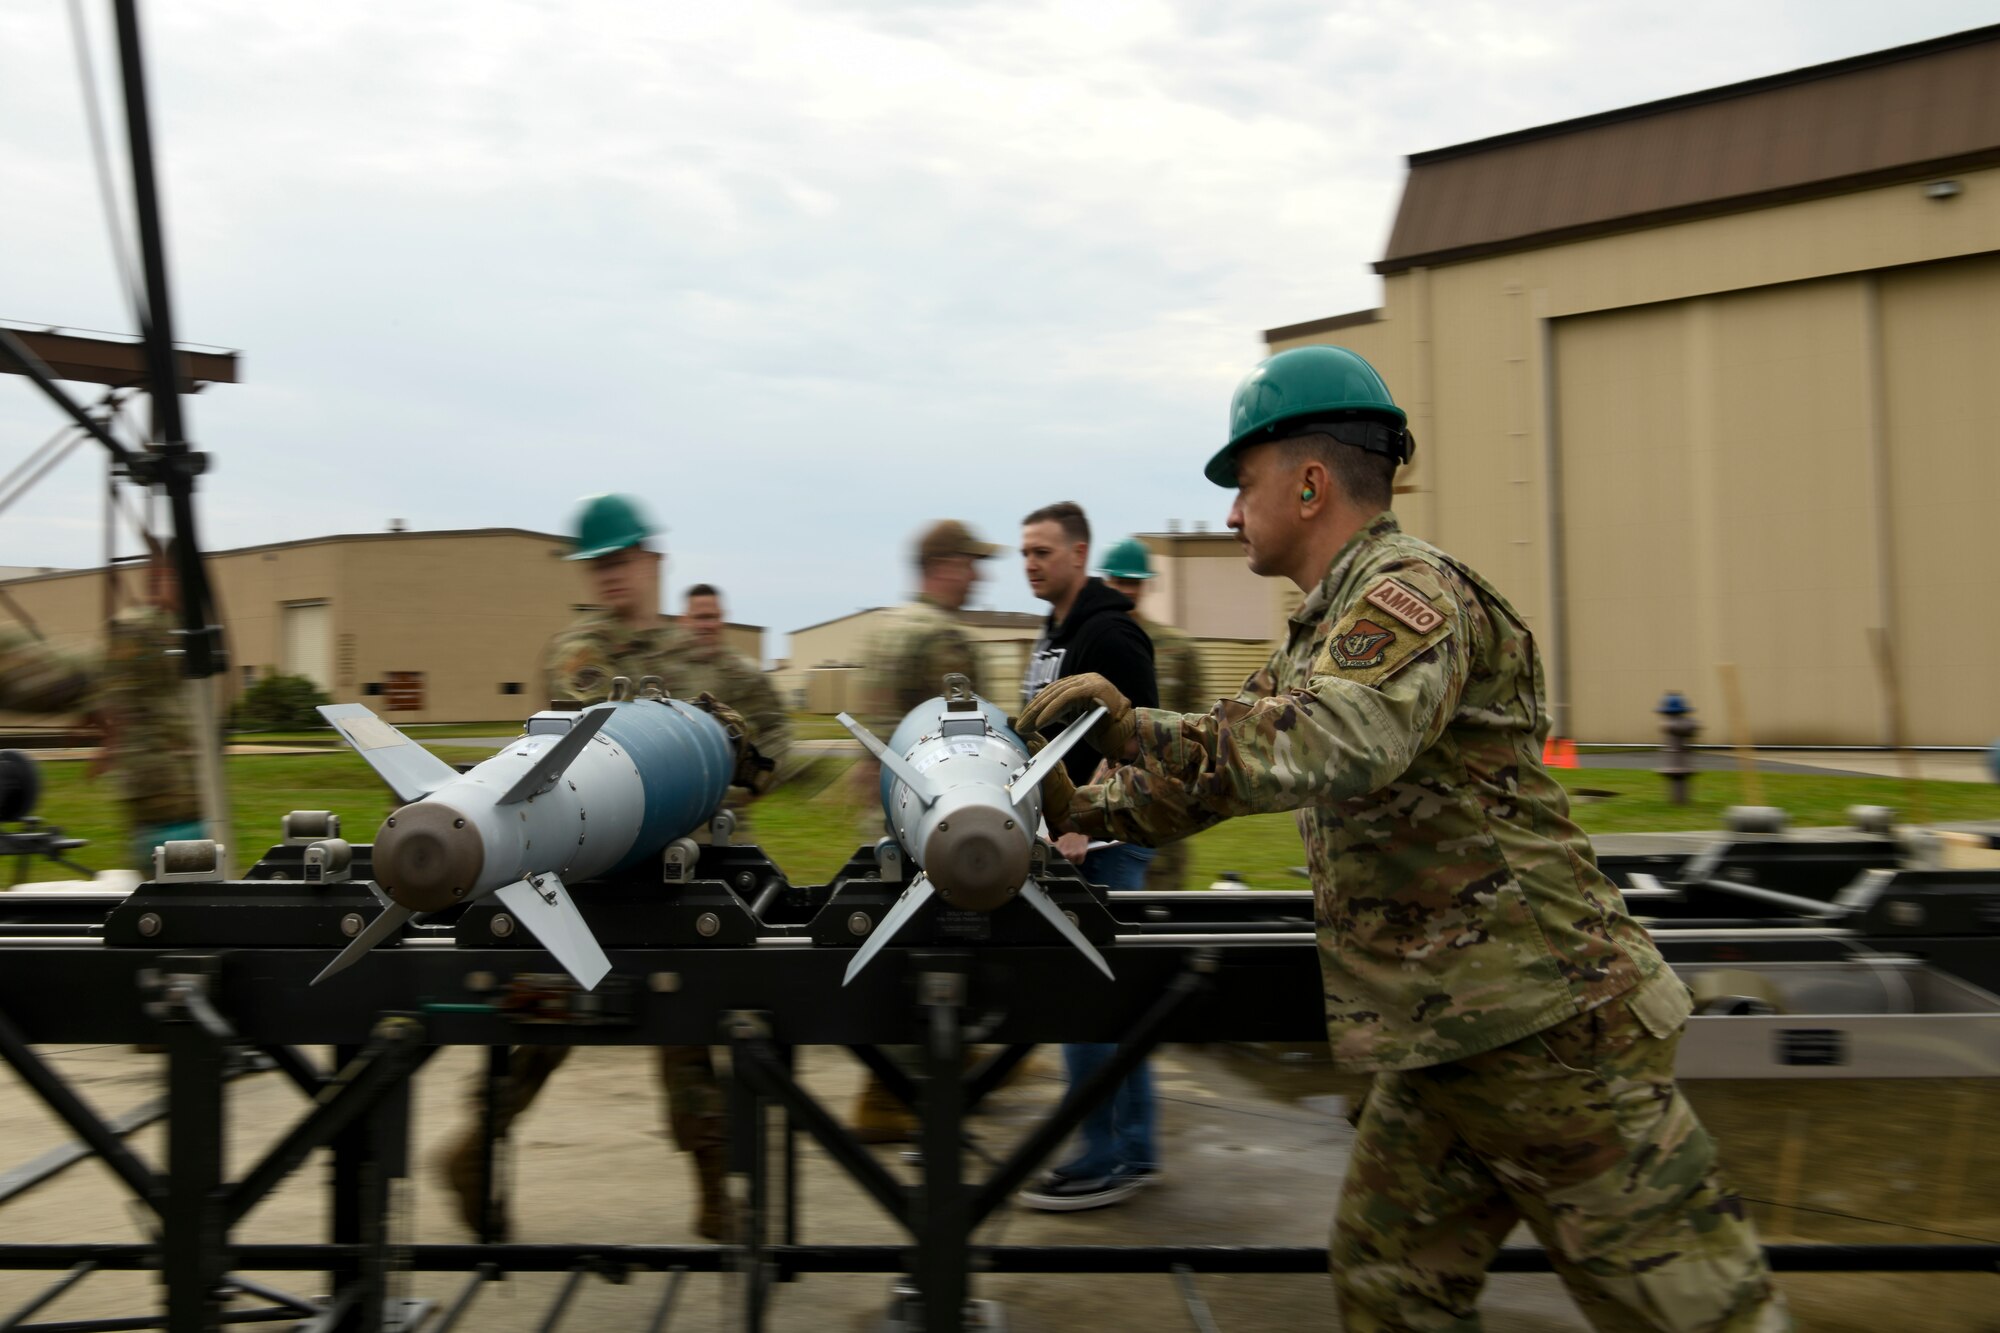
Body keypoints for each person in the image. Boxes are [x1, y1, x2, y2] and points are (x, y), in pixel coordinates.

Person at [1017, 346, 1787, 1330]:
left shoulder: (1403, 594)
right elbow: (1227, 762)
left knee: (1692, 1308)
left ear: (1306, 482)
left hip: (1546, 1033)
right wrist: (1084, 807)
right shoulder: (1324, 625)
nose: (1225, 515)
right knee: (1388, 1283)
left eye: (1240, 485)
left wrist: (1132, 725)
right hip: (1451, 1036)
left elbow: (1341, 739)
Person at [441, 494, 783, 1244]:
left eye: (622, 560)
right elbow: (602, 751)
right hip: (594, 872)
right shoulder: (583, 652)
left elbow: (737, 739)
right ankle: (476, 1149)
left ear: (652, 561)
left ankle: (716, 1191)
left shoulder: (681, 652)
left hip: (674, 870)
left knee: (689, 1029)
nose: (612, 576)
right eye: (600, 564)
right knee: (547, 1021)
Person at [1015, 501, 1163, 1213]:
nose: (1030, 563)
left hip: (1103, 841)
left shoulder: (1112, 633)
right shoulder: (1055, 630)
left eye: (1043, 551)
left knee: (1086, 1005)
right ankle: (1133, 1148)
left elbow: (1138, 737)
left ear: (1079, 553)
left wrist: (1081, 822)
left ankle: (1105, 1152)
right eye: (1025, 552)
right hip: (1067, 839)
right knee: (1110, 1003)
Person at [847, 519, 998, 1143]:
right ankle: (890, 1100)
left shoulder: (889, 628)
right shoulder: (945, 639)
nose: (979, 575)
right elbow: (968, 735)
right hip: (934, 820)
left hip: (885, 814)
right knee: (939, 954)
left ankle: (953, 1062)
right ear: (945, 564)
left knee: (904, 952)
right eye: (971, 562)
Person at [1098, 536, 1207, 891]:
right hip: (1104, 805)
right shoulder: (1093, 643)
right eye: (1119, 582)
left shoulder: (1178, 649)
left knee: (1163, 913)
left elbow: (1200, 731)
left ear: (1146, 585)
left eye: (1133, 582)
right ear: (1105, 583)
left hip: (1162, 806)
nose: (1127, 591)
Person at [93, 550, 203, 866]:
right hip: (156, 779)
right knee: (164, 871)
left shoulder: (182, 629)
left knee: (196, 873)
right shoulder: (138, 629)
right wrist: (111, 740)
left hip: (187, 777)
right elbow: (109, 687)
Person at [677, 582, 794, 828]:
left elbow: (777, 727)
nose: (706, 625)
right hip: (672, 806)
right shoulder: (664, 670)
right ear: (684, 621)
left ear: (722, 620)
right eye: (699, 618)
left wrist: (754, 782)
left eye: (712, 617)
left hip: (726, 816)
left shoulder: (745, 673)